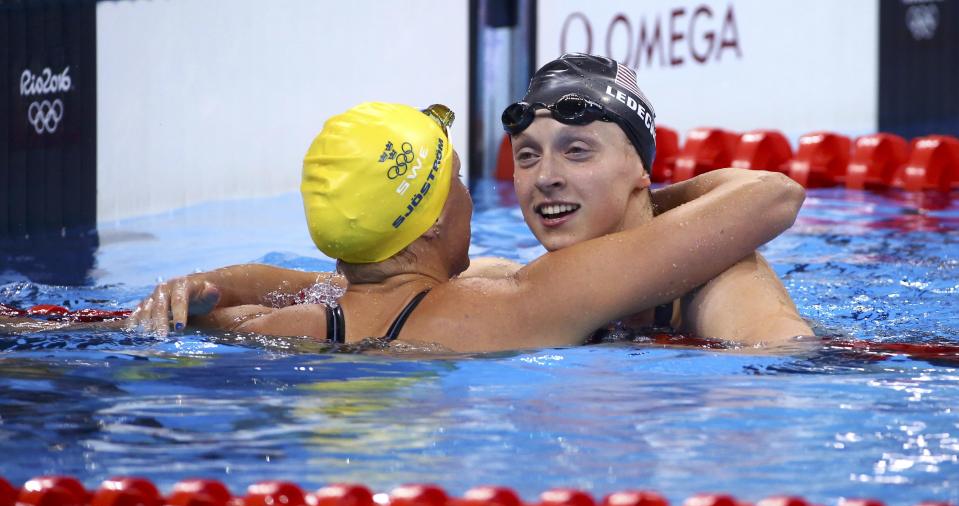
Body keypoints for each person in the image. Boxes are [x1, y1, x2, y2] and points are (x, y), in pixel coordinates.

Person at [127, 101, 805, 352]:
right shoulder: (522, 299)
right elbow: (768, 198)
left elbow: (286, 284)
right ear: (426, 224)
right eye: (453, 183)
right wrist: (643, 194)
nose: (471, 199)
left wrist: (197, 286)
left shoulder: (301, 320)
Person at [477, 53, 813, 343]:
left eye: (577, 151)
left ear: (640, 167)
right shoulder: (522, 289)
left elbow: (785, 365)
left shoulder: (719, 281)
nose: (545, 178)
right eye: (527, 156)